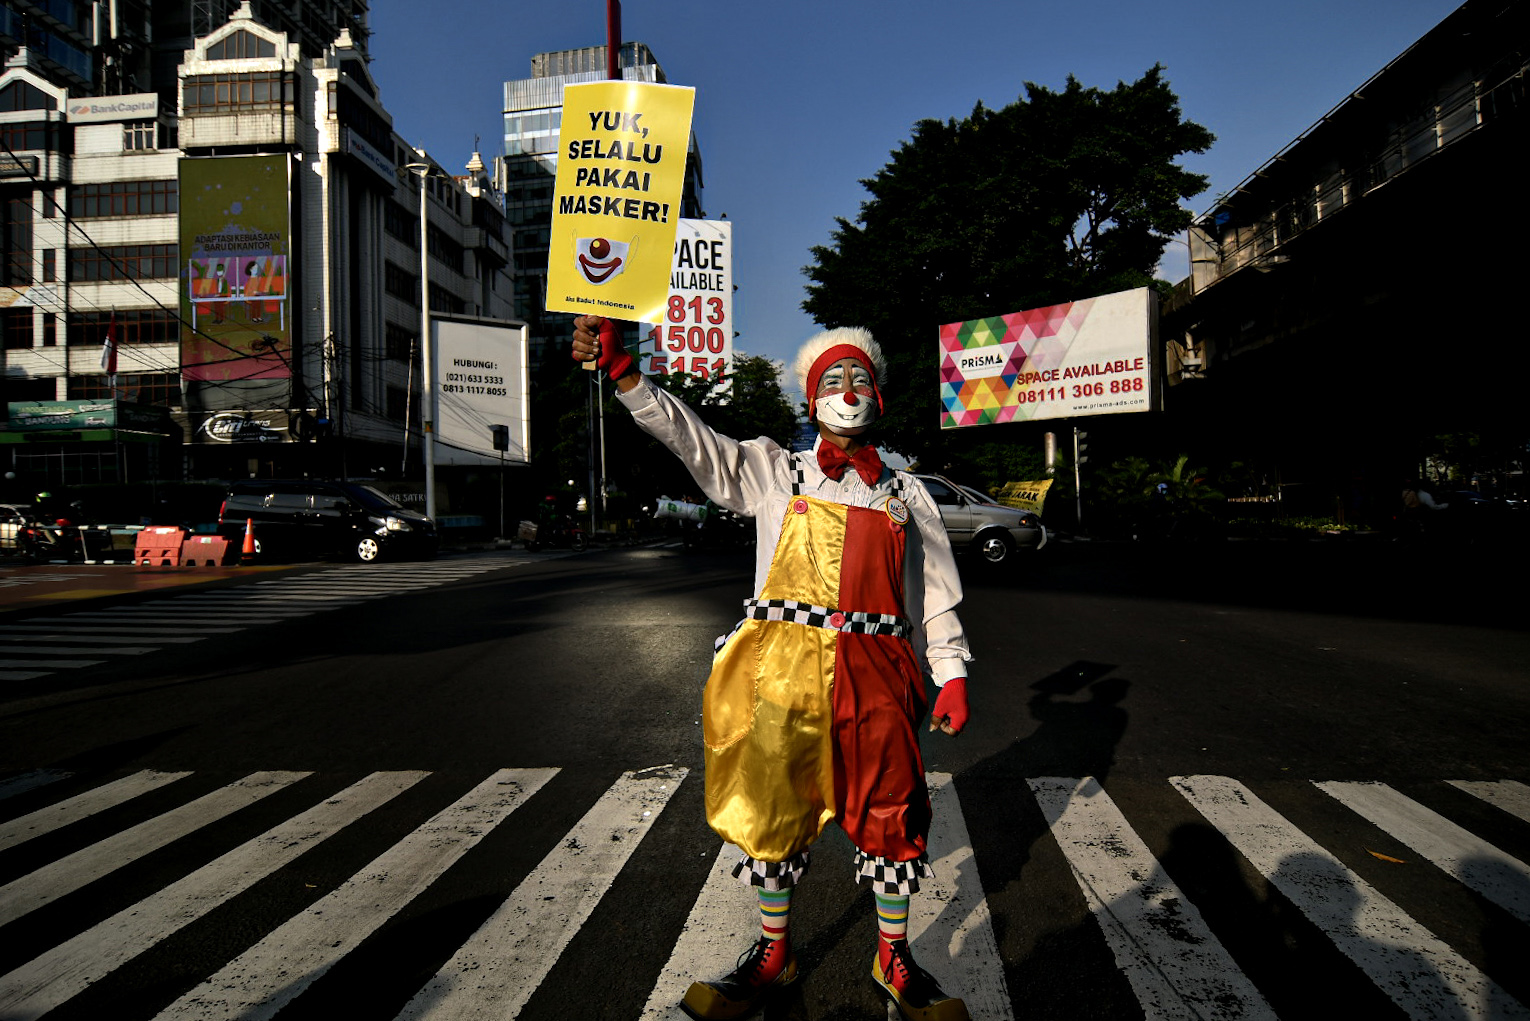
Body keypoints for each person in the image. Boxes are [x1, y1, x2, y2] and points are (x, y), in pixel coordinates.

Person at [572, 316, 973, 1021]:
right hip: (780, 678)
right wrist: (629, 379)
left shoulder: (907, 493)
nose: (847, 391)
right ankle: (772, 951)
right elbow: (694, 442)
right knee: (770, 811)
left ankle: (893, 954)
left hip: (877, 673)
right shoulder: (771, 468)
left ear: (877, 393)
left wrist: (953, 670)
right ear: (810, 395)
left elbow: (934, 591)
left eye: (859, 379)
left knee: (891, 812)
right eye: (833, 380)